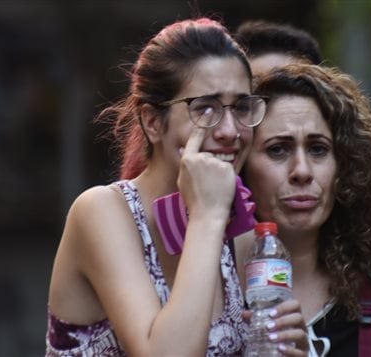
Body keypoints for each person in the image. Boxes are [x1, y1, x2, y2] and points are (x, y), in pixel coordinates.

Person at [45, 18, 307, 356]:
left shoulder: (240, 236)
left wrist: (294, 344)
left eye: (242, 107)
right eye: (206, 108)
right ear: (153, 122)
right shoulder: (101, 211)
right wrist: (207, 215)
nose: (230, 130)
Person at [235, 19, 371, 349]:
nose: (302, 171)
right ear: (240, 166)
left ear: (347, 164)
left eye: (318, 149)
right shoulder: (211, 276)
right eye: (277, 149)